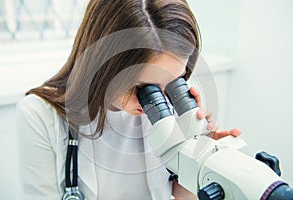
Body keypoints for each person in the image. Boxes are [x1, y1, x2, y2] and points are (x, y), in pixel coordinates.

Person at [16, 0, 240, 199]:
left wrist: (198, 160)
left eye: (176, 80)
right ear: (103, 64)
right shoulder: (39, 115)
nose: (159, 99)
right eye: (144, 88)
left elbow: (180, 195)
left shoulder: (170, 103)